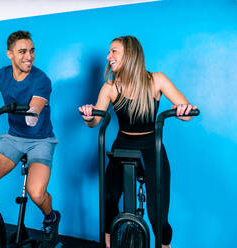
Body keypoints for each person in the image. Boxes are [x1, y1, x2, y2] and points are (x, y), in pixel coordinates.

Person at [78, 35, 197, 248]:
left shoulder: (156, 80)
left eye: (114, 51)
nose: (108, 56)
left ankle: (164, 245)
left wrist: (183, 110)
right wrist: (89, 116)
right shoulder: (110, 88)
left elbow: (187, 112)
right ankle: (109, 244)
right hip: (122, 148)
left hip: (152, 149)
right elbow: (95, 121)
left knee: (157, 214)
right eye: (109, 52)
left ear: (130, 54)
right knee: (109, 199)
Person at [0, 30, 60, 248]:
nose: (29, 56)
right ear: (10, 54)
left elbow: (36, 103)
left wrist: (33, 113)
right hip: (13, 138)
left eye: (32, 51)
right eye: (23, 51)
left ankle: (51, 217)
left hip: (41, 140)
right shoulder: (2, 75)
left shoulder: (41, 79)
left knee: (36, 194)